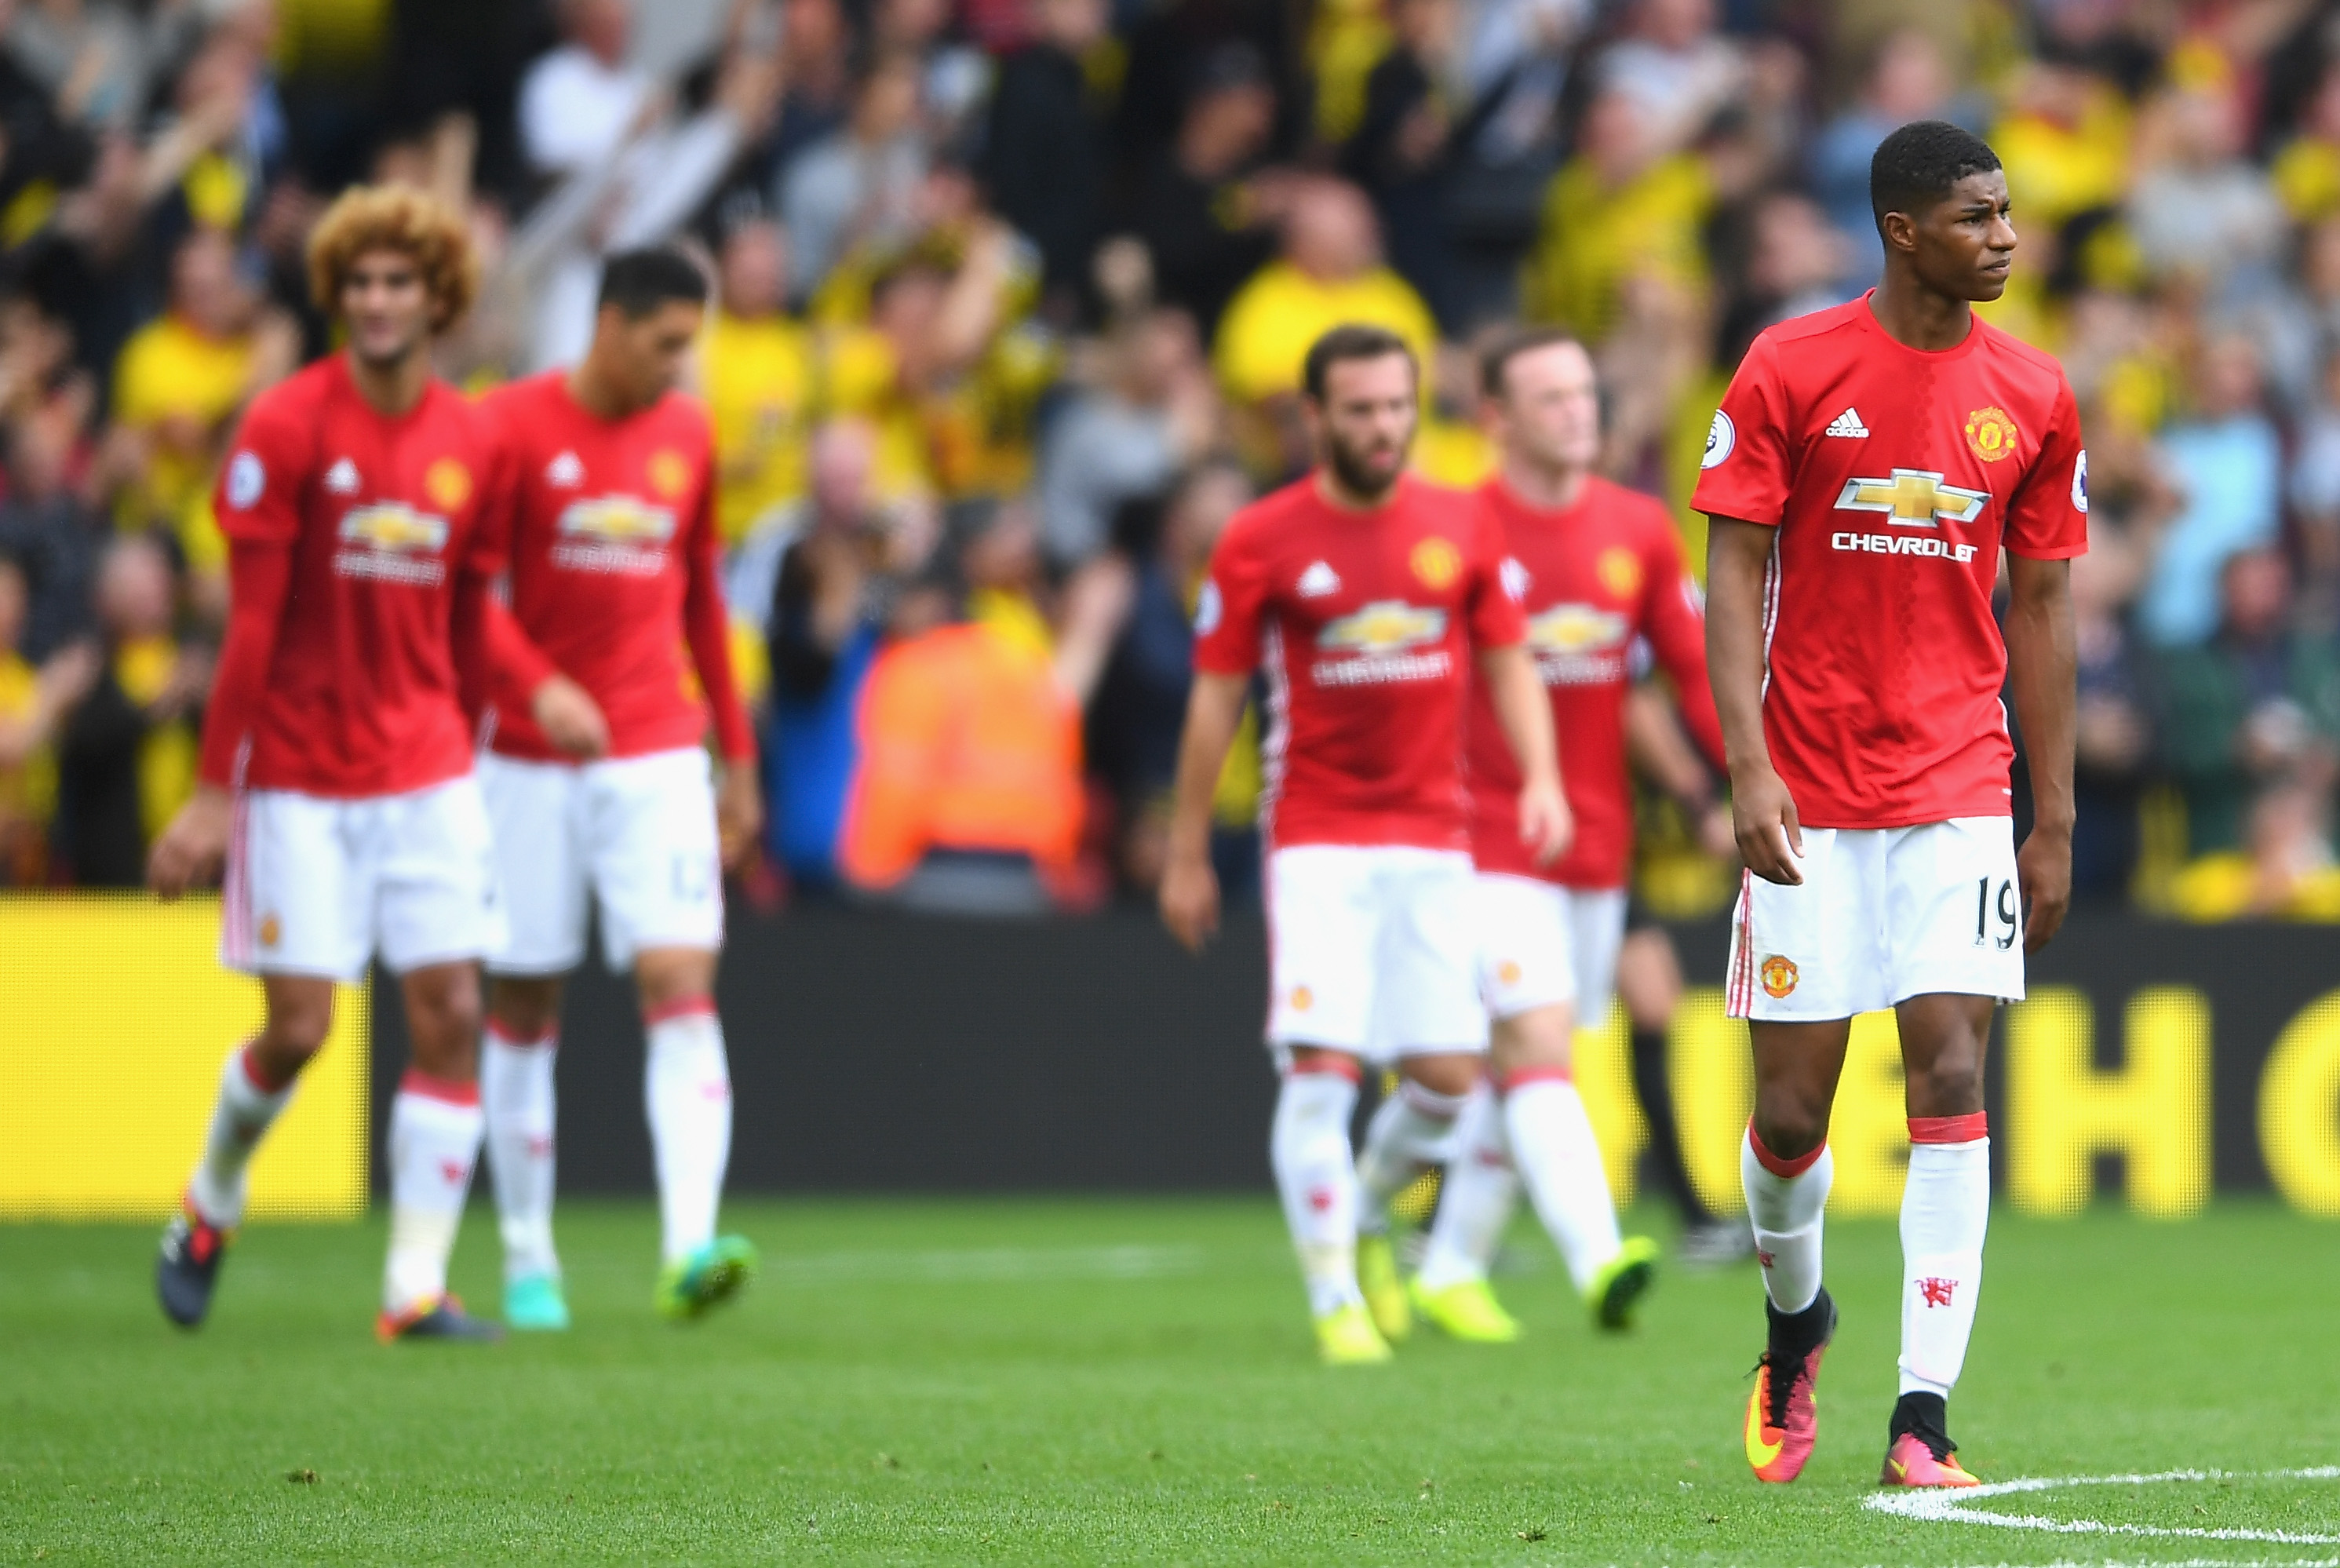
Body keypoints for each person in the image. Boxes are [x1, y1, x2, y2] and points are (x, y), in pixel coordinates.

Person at [1694, 122, 2084, 1488]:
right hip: (1807, 791)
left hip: (1956, 786)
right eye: (1980, 215)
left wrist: (2053, 814)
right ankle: (1794, 1323)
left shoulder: (2032, 392)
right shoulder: (1789, 367)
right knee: (1793, 1119)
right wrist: (1745, 762)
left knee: (1954, 1076)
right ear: (1903, 229)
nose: (2007, 237)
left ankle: (1922, 1417)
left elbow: (2039, 606)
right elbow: (1730, 571)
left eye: (2008, 211)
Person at [1160, 322, 1569, 1365]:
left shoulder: (1459, 521)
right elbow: (1213, 702)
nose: (1384, 426)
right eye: (1360, 409)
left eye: (1398, 405)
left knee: (1443, 1082)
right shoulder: (1259, 537)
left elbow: (1511, 658)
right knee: (1323, 1069)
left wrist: (1542, 778)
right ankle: (1336, 1294)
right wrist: (1183, 849)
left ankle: (1368, 1213)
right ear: (1314, 417)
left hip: (1438, 837)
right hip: (1317, 838)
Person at [148, 185, 508, 1343]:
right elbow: (248, 627)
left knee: (451, 1006)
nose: (378, 300)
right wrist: (213, 792)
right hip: (299, 774)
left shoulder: (472, 438)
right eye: (359, 283)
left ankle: (412, 1289)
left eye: (400, 281)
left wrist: (536, 689)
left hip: (428, 768)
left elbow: (470, 619)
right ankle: (210, 1200)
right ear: (336, 296)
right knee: (300, 1027)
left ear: (436, 296)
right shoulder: (284, 426)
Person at [1354, 327, 1726, 1343]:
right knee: (1538, 1046)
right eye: (1550, 396)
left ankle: (1434, 1256)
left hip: (1594, 840)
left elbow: (1688, 668)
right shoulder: (1452, 526)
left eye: (1584, 390)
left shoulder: (1639, 528)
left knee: (1516, 1066)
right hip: (1478, 834)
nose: (1578, 409)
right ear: (1497, 419)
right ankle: (1598, 1253)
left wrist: (1741, 778)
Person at [471, 246, 764, 1330]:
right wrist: (533, 685)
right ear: (607, 324)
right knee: (525, 999)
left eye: (691, 343)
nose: (682, 366)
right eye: (667, 343)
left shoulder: (688, 434)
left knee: (682, 976)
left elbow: (702, 601)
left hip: (654, 751)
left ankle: (688, 1247)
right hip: (528, 761)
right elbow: (469, 596)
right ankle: (527, 1258)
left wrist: (736, 759)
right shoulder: (509, 425)